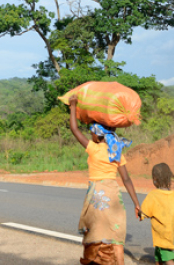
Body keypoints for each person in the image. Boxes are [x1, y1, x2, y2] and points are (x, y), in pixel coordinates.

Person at [68, 95, 142, 265]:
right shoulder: (116, 152)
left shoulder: (93, 148)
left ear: (97, 134)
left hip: (98, 197)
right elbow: (127, 179)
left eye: (92, 131)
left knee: (95, 234)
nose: (90, 134)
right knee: (116, 237)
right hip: (114, 196)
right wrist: (137, 203)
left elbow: (74, 129)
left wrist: (73, 106)